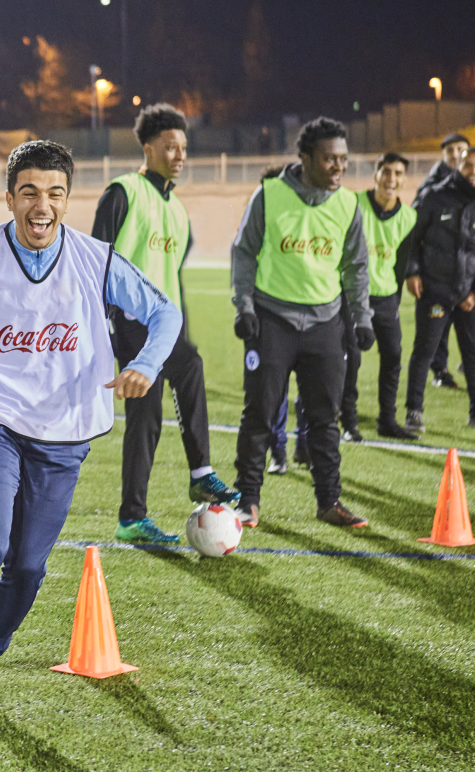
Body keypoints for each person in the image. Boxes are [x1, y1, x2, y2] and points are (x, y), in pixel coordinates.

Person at [0, 140, 182, 727]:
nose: (41, 205)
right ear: (9, 199)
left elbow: (164, 313)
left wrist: (145, 365)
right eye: (29, 192)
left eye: (54, 193)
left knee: (27, 567)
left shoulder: (95, 260)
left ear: (68, 201)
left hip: (63, 431)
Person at [91, 103, 238, 544]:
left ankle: (132, 518)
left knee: (147, 418)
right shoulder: (122, 193)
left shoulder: (176, 210)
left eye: (184, 148)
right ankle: (199, 473)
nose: (179, 155)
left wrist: (180, 328)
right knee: (181, 375)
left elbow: (171, 276)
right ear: (148, 147)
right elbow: (96, 261)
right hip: (133, 323)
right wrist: (106, 328)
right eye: (171, 147)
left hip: (163, 327)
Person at [230, 117, 374, 529]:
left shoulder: (348, 205)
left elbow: (356, 267)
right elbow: (244, 253)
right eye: (329, 158)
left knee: (325, 417)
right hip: (271, 322)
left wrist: (361, 318)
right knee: (259, 413)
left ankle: (330, 502)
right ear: (306, 158)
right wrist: (245, 308)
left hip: (325, 324)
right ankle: (248, 502)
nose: (338, 167)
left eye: (343, 159)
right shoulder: (269, 195)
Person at [344, 153, 418, 440]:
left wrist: (395, 301)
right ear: (376, 175)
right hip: (353, 295)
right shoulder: (354, 204)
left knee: (393, 356)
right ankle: (349, 423)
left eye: (398, 173)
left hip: (386, 297)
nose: (391, 178)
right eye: (386, 171)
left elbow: (401, 264)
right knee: (351, 360)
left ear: (403, 179)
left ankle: (387, 420)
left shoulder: (409, 217)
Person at [403, 149, 475, 432]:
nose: (473, 171)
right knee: (424, 351)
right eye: (469, 165)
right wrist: (412, 272)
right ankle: (414, 412)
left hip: (468, 296)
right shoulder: (434, 197)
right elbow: (411, 237)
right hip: (435, 292)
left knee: (472, 355)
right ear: (457, 164)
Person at [414, 133, 469, 390]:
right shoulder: (432, 187)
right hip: (438, 276)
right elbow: (416, 231)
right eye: (451, 150)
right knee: (438, 328)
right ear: (444, 155)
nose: (456, 154)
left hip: (464, 276)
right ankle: (440, 368)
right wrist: (415, 270)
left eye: (461, 149)